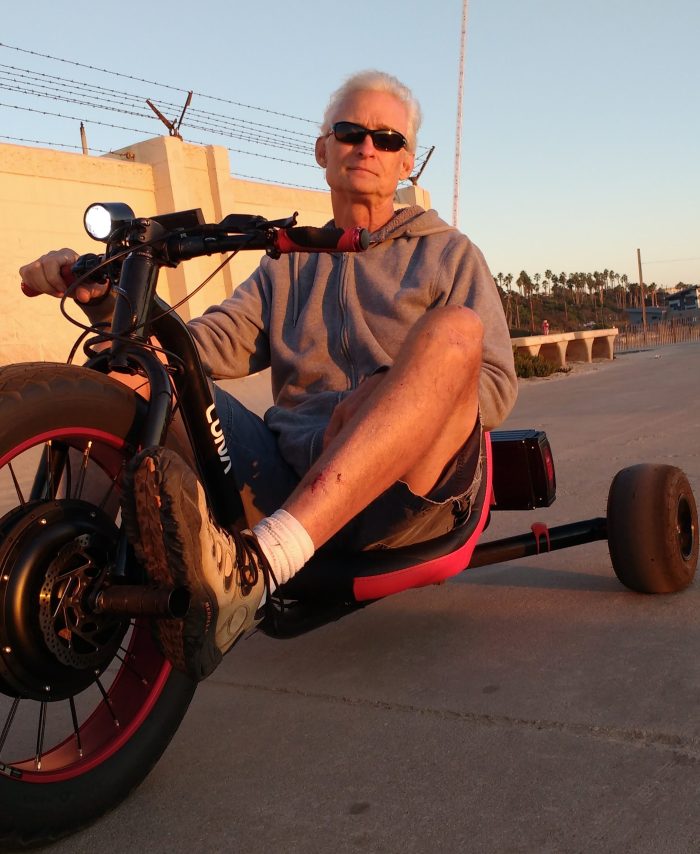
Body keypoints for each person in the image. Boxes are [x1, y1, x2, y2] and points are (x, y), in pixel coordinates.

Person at [19, 70, 518, 681]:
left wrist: (386, 395)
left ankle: (264, 566)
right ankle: (56, 580)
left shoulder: (447, 253)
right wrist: (105, 301)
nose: (368, 147)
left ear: (405, 163)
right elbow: (200, 347)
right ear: (323, 150)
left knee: (456, 331)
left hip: (406, 495)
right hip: (287, 476)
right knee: (138, 379)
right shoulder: (287, 263)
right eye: (350, 132)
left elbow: (494, 385)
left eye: (387, 139)